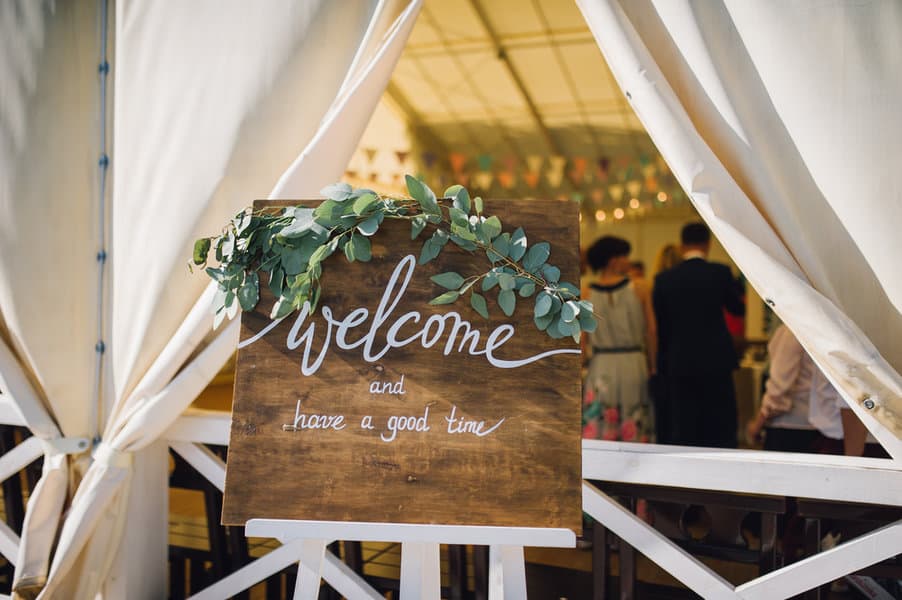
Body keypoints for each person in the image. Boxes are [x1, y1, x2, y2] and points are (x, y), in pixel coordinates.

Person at [653, 222, 745, 448]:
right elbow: (737, 309)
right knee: (719, 422)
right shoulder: (720, 273)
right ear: (708, 244)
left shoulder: (664, 280)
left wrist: (662, 365)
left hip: (680, 361)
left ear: (682, 245)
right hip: (716, 360)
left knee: (685, 424)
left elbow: (661, 327)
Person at [581, 236, 657, 443]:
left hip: (601, 365)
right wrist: (653, 365)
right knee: (635, 417)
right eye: (624, 256)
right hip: (633, 362)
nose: (628, 261)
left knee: (600, 421)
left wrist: (581, 365)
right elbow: (651, 331)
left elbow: (582, 337)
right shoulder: (640, 288)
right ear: (613, 260)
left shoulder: (586, 292)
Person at [746, 324, 822, 453]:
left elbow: (779, 388)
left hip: (789, 425)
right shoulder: (816, 328)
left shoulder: (792, 330)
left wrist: (757, 424)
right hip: (814, 423)